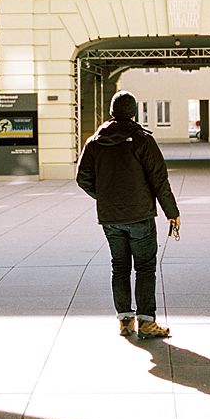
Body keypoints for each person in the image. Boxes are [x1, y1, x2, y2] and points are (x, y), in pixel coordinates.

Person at [76, 90, 180, 339]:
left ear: (111, 111)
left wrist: (104, 197)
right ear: (133, 112)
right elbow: (159, 180)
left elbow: (82, 178)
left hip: (110, 218)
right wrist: (172, 212)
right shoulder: (143, 140)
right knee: (145, 267)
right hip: (140, 215)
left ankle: (124, 320)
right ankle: (146, 323)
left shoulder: (95, 142)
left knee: (120, 266)